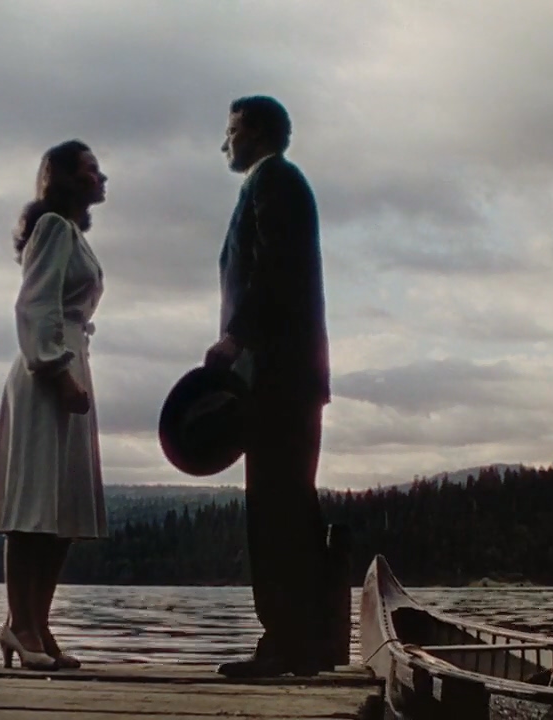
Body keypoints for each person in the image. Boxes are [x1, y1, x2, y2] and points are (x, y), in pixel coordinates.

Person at [205, 96, 332, 678]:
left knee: (279, 508)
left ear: (256, 132)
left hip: (281, 376)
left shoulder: (275, 181)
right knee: (281, 505)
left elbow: (274, 268)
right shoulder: (270, 184)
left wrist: (235, 339)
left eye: (231, 130)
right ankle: (291, 640)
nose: (225, 141)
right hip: (280, 378)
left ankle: (289, 643)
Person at [0, 139, 109, 671]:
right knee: (33, 506)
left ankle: (38, 624)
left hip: (71, 360)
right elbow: (35, 303)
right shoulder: (53, 227)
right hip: (46, 370)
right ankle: (19, 623)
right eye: (93, 170)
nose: (103, 177)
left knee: (61, 507)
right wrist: (57, 369)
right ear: (67, 179)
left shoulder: (72, 233)